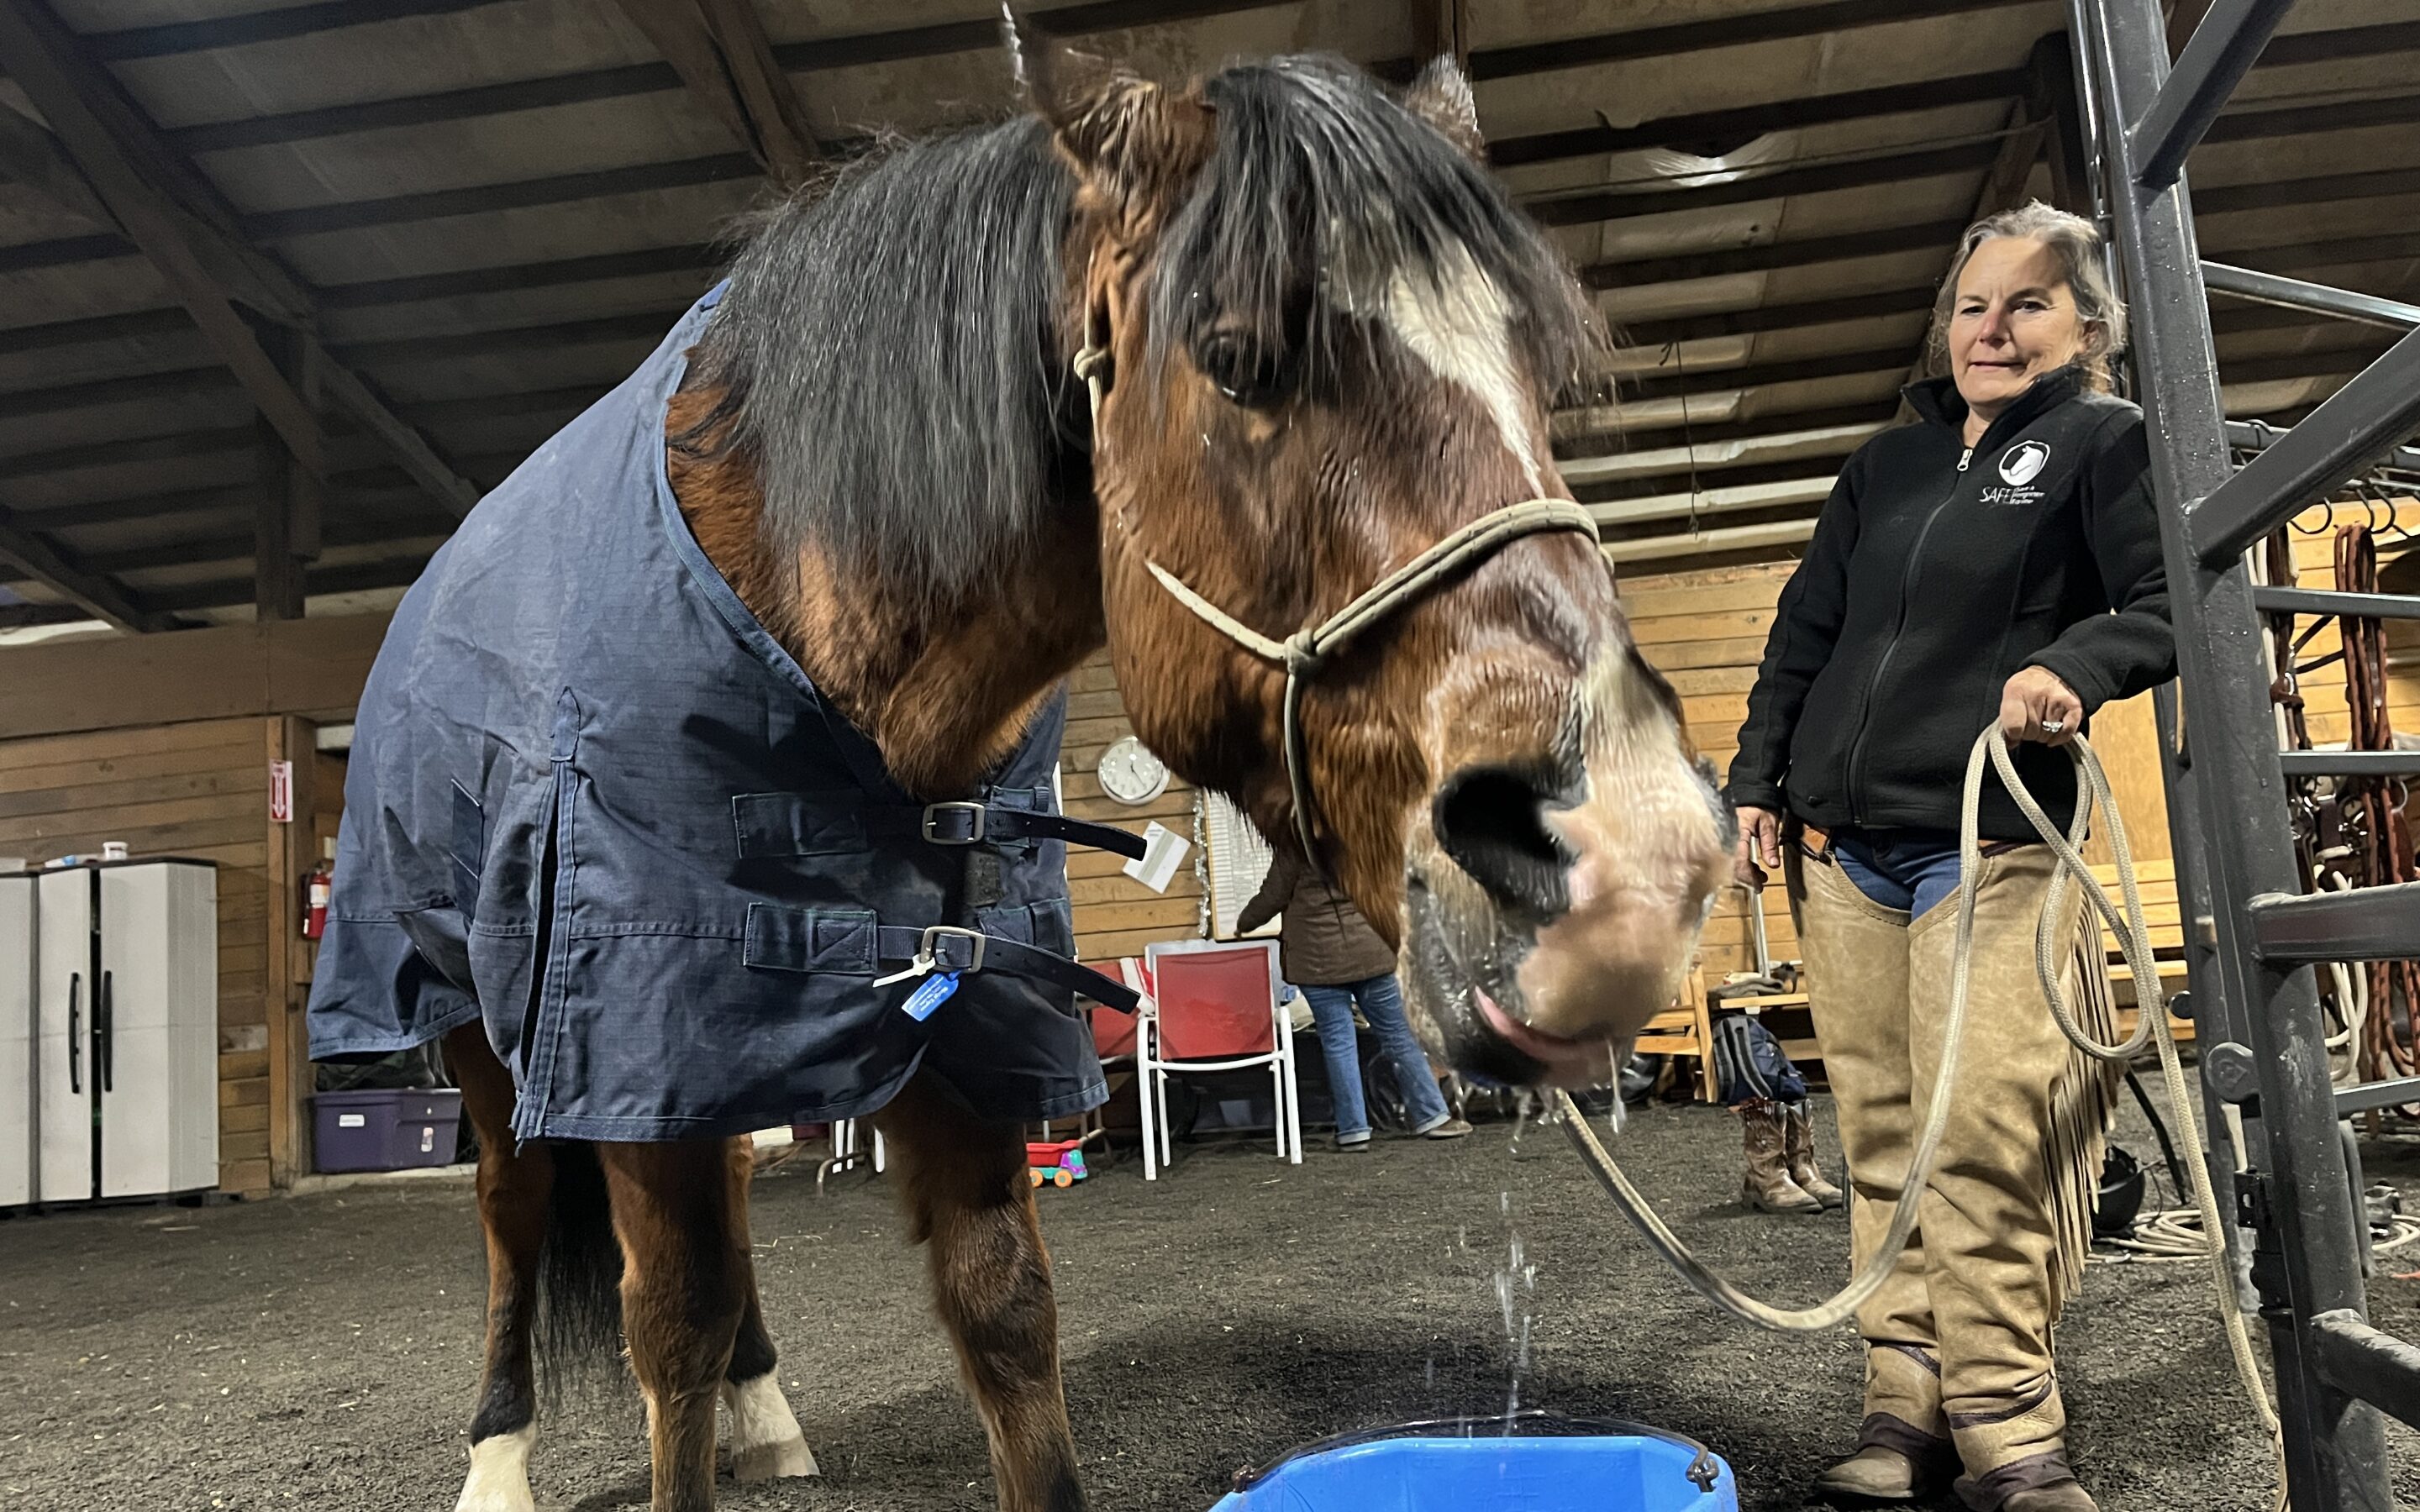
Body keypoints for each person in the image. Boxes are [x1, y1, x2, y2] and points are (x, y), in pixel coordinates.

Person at [1728, 202, 2172, 1512]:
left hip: (1993, 846)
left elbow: (2155, 609)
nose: (1993, 327)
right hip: (1845, 855)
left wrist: (2068, 668)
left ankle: (2009, 1425)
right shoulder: (1883, 468)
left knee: (1980, 1130)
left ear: (2087, 328)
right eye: (1974, 303)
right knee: (1878, 1135)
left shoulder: (2106, 442)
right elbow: (1803, 637)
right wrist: (1757, 783)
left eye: (2029, 303)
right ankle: (1902, 1406)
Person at [1238, 848, 1472, 1149]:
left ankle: (1354, 1131)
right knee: (1399, 1035)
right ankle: (1433, 1117)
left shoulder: (1295, 844)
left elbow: (1273, 895)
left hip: (1318, 960)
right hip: (1371, 951)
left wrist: (1246, 922)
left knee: (1338, 1044)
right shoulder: (1359, 834)